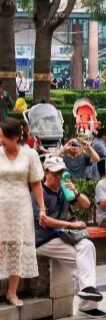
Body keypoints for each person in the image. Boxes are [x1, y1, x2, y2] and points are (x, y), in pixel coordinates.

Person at [33, 156, 106, 318]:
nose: (59, 177)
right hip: (44, 239)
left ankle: (87, 294)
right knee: (82, 262)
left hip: (62, 236)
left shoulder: (64, 191)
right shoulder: (39, 192)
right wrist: (71, 225)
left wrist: (76, 192)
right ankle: (88, 306)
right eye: (55, 174)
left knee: (87, 246)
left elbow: (86, 204)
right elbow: (44, 221)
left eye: (61, 173)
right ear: (46, 173)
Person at [1, 117, 46, 307]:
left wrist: (42, 209)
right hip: (1, 205)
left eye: (3, 136)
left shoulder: (30, 155)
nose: (0, 140)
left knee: (17, 248)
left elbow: (36, 184)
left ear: (14, 137)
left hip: (21, 207)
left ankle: (12, 293)